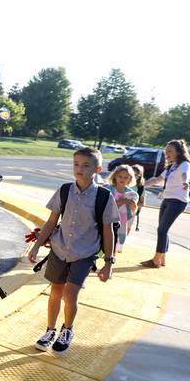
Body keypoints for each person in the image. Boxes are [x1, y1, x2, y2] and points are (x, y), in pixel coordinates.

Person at [28, 147, 119, 354]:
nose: (79, 169)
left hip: (84, 253)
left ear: (97, 168)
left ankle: (67, 329)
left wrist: (109, 263)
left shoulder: (104, 197)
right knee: (55, 292)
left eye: (86, 165)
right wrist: (36, 245)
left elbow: (108, 231)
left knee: (70, 294)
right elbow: (51, 222)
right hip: (59, 250)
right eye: (76, 164)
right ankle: (50, 331)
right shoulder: (64, 190)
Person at [141, 139, 190, 268]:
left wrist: (186, 182)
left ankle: (156, 260)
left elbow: (186, 174)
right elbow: (157, 180)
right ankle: (162, 258)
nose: (166, 153)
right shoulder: (171, 166)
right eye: (166, 151)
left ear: (178, 152)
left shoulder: (184, 164)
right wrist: (140, 185)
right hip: (167, 199)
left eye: (170, 151)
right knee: (163, 229)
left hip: (177, 201)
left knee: (162, 230)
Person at [107, 165, 139, 252]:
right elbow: (108, 205)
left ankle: (116, 249)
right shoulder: (108, 190)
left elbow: (133, 209)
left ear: (130, 179)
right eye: (120, 176)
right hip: (110, 216)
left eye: (126, 177)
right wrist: (122, 201)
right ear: (115, 176)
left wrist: (132, 203)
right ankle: (108, 249)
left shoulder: (132, 194)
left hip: (123, 216)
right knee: (109, 232)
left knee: (121, 234)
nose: (122, 179)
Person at [130, 164, 146, 233]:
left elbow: (142, 203)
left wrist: (133, 203)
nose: (134, 177)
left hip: (131, 212)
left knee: (127, 228)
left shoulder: (140, 188)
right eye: (132, 174)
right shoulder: (123, 182)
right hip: (118, 209)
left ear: (140, 176)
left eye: (136, 175)